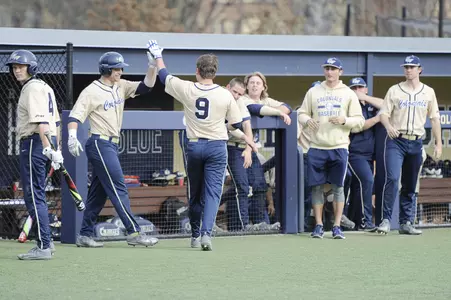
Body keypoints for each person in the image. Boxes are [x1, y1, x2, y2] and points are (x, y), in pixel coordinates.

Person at [147, 40, 258, 251]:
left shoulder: (188, 88)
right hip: (217, 146)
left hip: (194, 146)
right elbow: (234, 124)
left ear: (197, 71)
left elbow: (164, 76)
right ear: (214, 73)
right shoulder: (225, 94)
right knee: (213, 194)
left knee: (195, 194)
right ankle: (207, 234)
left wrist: (158, 55)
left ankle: (195, 234)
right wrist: (247, 139)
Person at [67, 50, 159, 247]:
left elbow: (146, 86)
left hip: (111, 143)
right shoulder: (91, 90)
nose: (120, 71)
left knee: (98, 195)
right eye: (117, 68)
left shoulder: (121, 85)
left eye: (120, 68)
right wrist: (72, 137)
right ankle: (134, 233)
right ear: (106, 69)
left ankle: (84, 234)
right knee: (119, 187)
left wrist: (152, 66)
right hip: (99, 143)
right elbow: (75, 116)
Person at [298, 57, 365, 239]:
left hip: (339, 146)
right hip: (317, 146)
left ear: (340, 72)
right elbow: (301, 113)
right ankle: (319, 225)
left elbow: (359, 121)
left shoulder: (348, 94)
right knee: (316, 188)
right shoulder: (314, 91)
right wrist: (307, 120)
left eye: (333, 69)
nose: (329, 72)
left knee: (338, 187)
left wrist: (345, 120)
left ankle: (336, 226)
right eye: (327, 68)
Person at [7, 49, 63, 260]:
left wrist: (49, 147)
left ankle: (44, 246)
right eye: (14, 67)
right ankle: (47, 242)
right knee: (37, 194)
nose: (17, 70)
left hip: (34, 143)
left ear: (31, 67)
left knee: (33, 196)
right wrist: (55, 149)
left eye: (21, 66)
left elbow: (42, 122)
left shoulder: (31, 88)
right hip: (43, 143)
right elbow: (56, 122)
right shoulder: (45, 87)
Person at [377, 55, 442, 235]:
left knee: (410, 183)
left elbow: (435, 118)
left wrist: (438, 143)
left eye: (412, 67)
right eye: (406, 67)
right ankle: (386, 220)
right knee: (391, 178)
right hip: (396, 140)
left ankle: (406, 222)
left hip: (415, 142)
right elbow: (383, 114)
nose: (408, 70)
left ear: (420, 69)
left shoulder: (428, 91)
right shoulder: (394, 90)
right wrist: (388, 126)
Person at [346, 77, 383, 231]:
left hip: (369, 156)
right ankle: (366, 222)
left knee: (358, 187)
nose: (357, 91)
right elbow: (358, 126)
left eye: (360, 87)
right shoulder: (348, 107)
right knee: (367, 181)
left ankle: (354, 222)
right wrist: (376, 119)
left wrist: (365, 98)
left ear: (366, 89)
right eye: (354, 88)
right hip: (354, 153)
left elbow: (387, 105)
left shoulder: (369, 105)